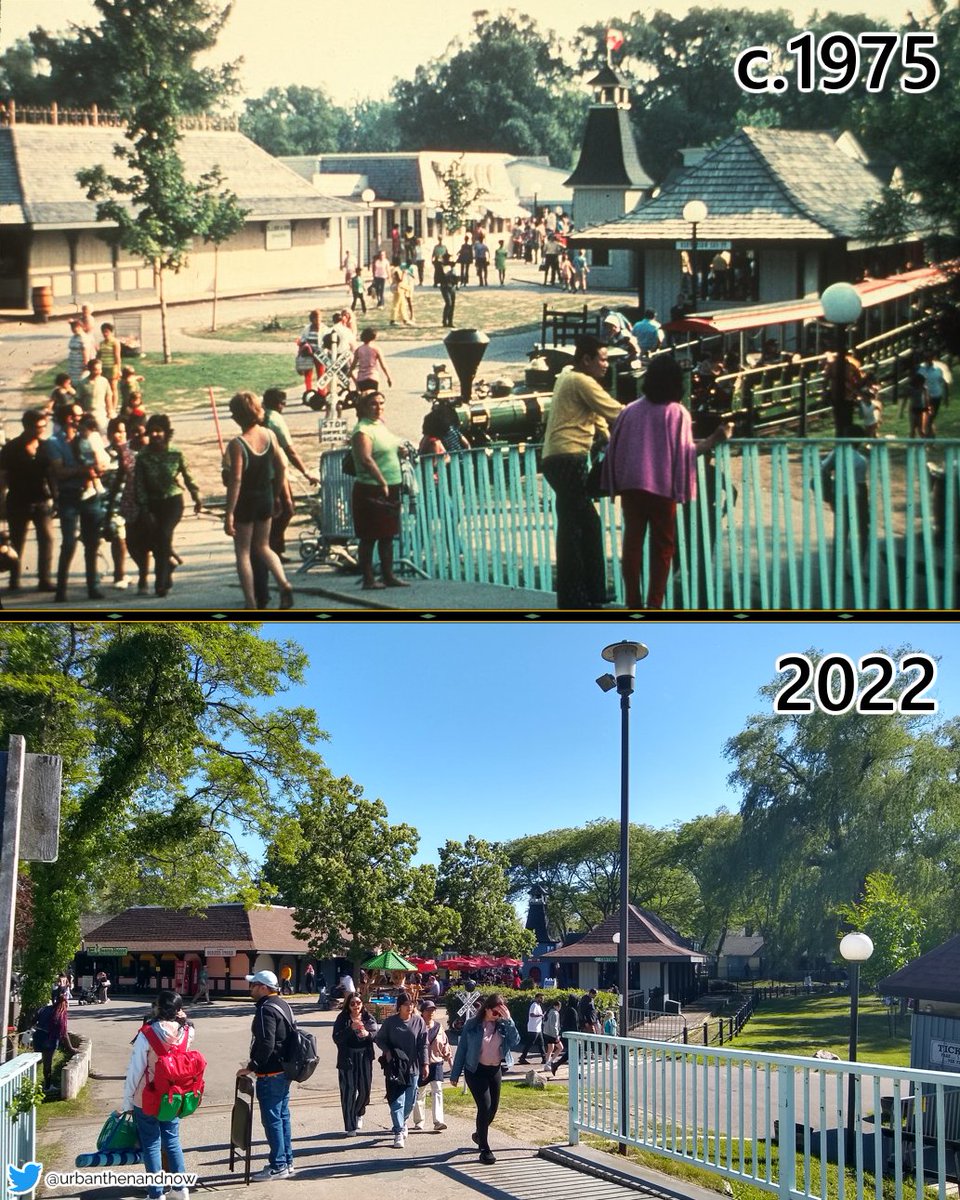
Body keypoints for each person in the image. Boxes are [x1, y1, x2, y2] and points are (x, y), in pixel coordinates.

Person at [602, 354, 733, 610]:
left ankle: (632, 602)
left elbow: (616, 447)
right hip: (661, 489)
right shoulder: (677, 413)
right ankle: (654, 604)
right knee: (663, 548)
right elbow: (686, 452)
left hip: (631, 486)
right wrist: (715, 439)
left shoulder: (629, 410)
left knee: (632, 544)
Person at [541, 335, 623, 608]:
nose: (606, 365)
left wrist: (606, 435)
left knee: (575, 525)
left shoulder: (567, 376)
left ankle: (581, 594)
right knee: (584, 525)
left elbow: (596, 415)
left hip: (558, 458)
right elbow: (614, 411)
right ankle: (582, 596)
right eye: (602, 359)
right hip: (569, 458)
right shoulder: (582, 381)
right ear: (586, 360)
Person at [224, 392, 294, 610]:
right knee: (264, 546)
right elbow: (282, 465)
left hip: (246, 500)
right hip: (265, 497)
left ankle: (250, 602)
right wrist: (275, 493)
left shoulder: (238, 444)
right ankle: (284, 583)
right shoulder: (269, 435)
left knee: (243, 553)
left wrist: (229, 513)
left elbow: (235, 479)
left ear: (236, 416)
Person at [121, 989, 193, 1200]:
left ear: (158, 1008)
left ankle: (156, 1193)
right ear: (178, 1011)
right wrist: (184, 1020)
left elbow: (135, 1070)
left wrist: (127, 1101)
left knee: (151, 1143)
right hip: (173, 1096)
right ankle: (181, 1189)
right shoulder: (187, 1033)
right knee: (172, 1141)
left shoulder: (148, 1033)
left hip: (148, 1096)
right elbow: (186, 1030)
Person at [134, 413, 202, 599]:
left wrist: (196, 497)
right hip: (152, 503)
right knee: (157, 542)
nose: (155, 435)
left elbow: (188, 477)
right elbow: (139, 485)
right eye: (152, 431)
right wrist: (145, 508)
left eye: (159, 431)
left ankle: (160, 584)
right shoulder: (142, 457)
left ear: (166, 433)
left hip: (172, 501)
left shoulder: (176, 453)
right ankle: (168, 567)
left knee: (164, 535)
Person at [449, 993, 520, 1166]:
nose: (498, 1016)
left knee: (493, 1109)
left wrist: (508, 1020)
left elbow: (515, 1041)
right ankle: (484, 1148)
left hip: (494, 1069)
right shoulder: (472, 1025)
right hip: (475, 1070)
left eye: (500, 1013)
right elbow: (462, 1050)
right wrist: (455, 1074)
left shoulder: (503, 1025)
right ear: (487, 1009)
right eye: (495, 1013)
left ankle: (479, 1134)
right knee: (484, 1106)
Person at [46, 400, 107, 601]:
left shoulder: (90, 437)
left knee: (92, 542)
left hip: (91, 495)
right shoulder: (54, 442)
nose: (81, 418)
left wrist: (98, 468)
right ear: (68, 418)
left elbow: (101, 464)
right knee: (69, 543)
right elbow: (59, 472)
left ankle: (93, 587)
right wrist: (82, 470)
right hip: (69, 496)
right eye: (77, 415)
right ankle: (61, 589)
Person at [349, 391, 409, 591]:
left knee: (387, 534)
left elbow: (388, 447)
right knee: (369, 535)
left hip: (391, 486)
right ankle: (368, 579)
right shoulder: (362, 430)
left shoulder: (380, 425)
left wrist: (400, 451)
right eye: (373, 404)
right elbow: (365, 458)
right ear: (364, 407)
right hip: (371, 488)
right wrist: (381, 480)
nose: (378, 407)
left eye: (381, 403)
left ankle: (388, 575)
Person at [239, 969, 295, 1180]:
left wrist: (252, 1066)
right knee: (282, 1117)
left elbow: (266, 1043)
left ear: (263, 987)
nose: (250, 988)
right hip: (284, 1070)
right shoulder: (282, 1004)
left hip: (270, 1072)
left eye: (253, 985)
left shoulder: (265, 1009)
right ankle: (286, 1161)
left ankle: (278, 1165)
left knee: (272, 1120)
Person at [0, 408, 55, 593]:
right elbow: (3, 477)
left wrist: (56, 498)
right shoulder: (11, 448)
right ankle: (14, 580)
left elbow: (52, 474)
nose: (42, 430)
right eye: (39, 427)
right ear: (28, 427)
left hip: (41, 500)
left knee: (46, 539)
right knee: (16, 541)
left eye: (44, 427)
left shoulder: (46, 446)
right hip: (18, 500)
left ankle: (45, 579)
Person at [374, 990, 429, 1149]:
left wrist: (425, 1063)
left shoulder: (419, 1022)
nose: (409, 1007)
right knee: (397, 1100)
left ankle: (403, 1121)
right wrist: (388, 1052)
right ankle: (398, 1131)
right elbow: (379, 1039)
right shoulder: (390, 1022)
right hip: (395, 1068)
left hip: (413, 1067)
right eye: (406, 1004)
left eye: (411, 1004)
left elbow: (423, 1044)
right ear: (399, 1006)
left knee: (410, 1102)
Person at [332, 992, 378, 1134]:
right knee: (348, 1091)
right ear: (348, 1005)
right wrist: (350, 1029)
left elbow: (376, 1033)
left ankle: (359, 1111)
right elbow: (336, 1038)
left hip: (364, 1056)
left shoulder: (367, 1017)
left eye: (358, 1003)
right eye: (352, 1003)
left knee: (365, 1090)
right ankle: (350, 1126)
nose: (356, 1006)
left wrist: (368, 1034)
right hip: (348, 1058)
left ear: (362, 1004)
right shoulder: (342, 1018)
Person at [411, 999, 451, 1131]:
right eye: (428, 1010)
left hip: (437, 1063)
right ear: (422, 1012)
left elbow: (445, 1044)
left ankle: (438, 1121)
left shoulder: (439, 1027)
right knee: (420, 1093)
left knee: (438, 1090)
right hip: (421, 1064)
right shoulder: (417, 1026)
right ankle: (419, 1121)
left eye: (433, 1010)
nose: (431, 1013)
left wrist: (450, 1060)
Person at [34, 987, 75, 1092]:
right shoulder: (60, 1013)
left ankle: (31, 1082)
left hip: (38, 1036)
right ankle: (47, 1086)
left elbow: (33, 1020)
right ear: (65, 1002)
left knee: (37, 1061)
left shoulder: (44, 1008)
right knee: (47, 1064)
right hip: (49, 1039)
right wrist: (71, 1049)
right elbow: (64, 1034)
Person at [350, 328, 393, 395]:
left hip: (361, 377)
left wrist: (350, 372)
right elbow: (383, 365)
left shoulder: (359, 350)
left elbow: (353, 365)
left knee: (362, 397)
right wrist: (389, 377)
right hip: (373, 376)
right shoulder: (376, 349)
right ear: (374, 337)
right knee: (372, 397)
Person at [918, 351, 949, 437]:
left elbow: (943, 383)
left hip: (936, 396)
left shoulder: (938, 369)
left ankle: (930, 439)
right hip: (924, 397)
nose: (927, 360)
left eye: (929, 357)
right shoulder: (921, 369)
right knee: (926, 419)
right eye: (926, 358)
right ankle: (929, 439)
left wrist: (946, 398)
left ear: (932, 358)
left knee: (930, 419)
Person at [548, 994, 581, 1075]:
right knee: (577, 1052)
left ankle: (556, 1065)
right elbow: (574, 1025)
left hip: (568, 1034)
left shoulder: (569, 1009)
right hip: (572, 1035)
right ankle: (577, 1072)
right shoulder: (572, 1010)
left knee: (571, 1053)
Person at [295, 310, 326, 394]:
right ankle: (308, 392)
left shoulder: (324, 328)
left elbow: (326, 341)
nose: (318, 320)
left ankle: (321, 392)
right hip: (308, 354)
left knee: (321, 373)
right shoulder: (307, 328)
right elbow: (303, 338)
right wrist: (302, 343)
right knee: (308, 374)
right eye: (316, 318)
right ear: (312, 319)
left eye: (320, 318)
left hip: (319, 354)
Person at [79, 357, 113, 429]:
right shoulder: (83, 383)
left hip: (100, 413)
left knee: (102, 433)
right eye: (95, 370)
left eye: (100, 369)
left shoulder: (104, 381)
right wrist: (81, 412)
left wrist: (109, 410)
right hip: (87, 413)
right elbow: (78, 399)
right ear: (90, 369)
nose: (98, 372)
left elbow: (108, 396)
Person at [99, 323, 122, 414]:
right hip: (103, 367)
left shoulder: (115, 342)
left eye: (107, 332)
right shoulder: (101, 343)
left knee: (113, 388)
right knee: (105, 388)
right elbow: (100, 355)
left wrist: (118, 369)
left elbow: (117, 356)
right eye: (103, 332)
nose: (105, 334)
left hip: (112, 367)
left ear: (111, 332)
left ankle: (114, 407)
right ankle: (108, 406)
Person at [518, 993, 546, 1065]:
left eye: (542, 998)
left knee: (541, 1044)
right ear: (536, 998)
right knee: (530, 1043)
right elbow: (531, 1014)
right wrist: (540, 1015)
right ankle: (522, 1058)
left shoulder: (538, 1006)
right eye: (540, 998)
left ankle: (544, 1059)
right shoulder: (534, 1005)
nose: (542, 999)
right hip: (533, 1028)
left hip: (538, 1028)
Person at [901, 370, 930, 439]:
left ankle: (923, 444)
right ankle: (911, 444)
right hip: (913, 409)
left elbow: (926, 398)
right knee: (912, 428)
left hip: (921, 408)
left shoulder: (924, 388)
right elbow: (905, 399)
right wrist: (902, 410)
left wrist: (927, 408)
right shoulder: (910, 389)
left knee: (921, 429)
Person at [542, 998, 561, 1071]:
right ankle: (550, 1062)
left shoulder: (548, 1011)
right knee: (560, 1048)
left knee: (550, 1049)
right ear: (557, 1006)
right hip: (552, 1034)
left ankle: (547, 1064)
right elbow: (554, 1025)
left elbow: (544, 1021)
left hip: (546, 1032)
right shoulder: (555, 1013)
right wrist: (557, 1035)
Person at [440, 256, 459, 328]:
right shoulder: (445, 267)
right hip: (445, 287)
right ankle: (444, 321)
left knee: (452, 305)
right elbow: (446, 274)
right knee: (448, 303)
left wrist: (457, 284)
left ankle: (450, 321)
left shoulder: (454, 268)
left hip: (452, 287)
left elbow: (457, 277)